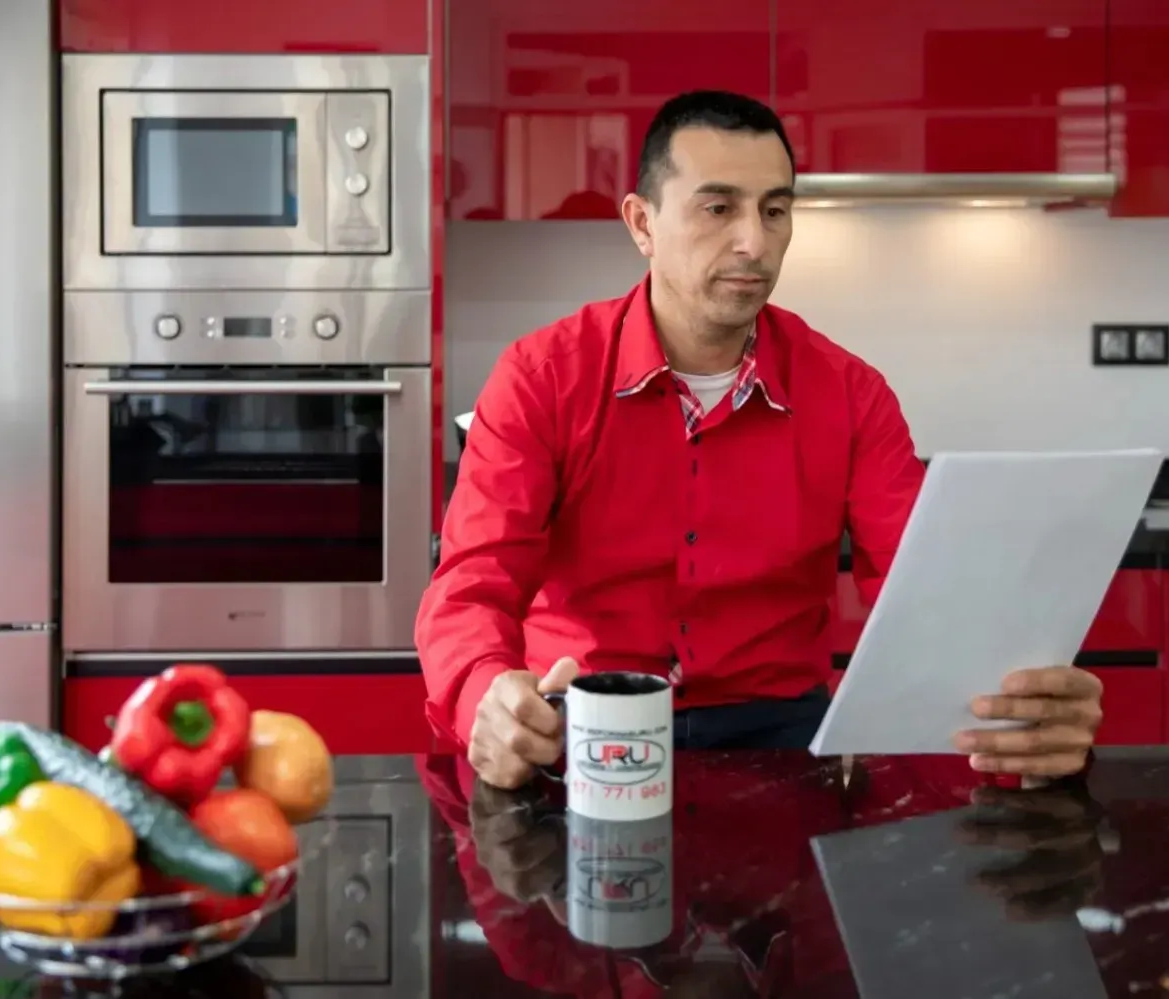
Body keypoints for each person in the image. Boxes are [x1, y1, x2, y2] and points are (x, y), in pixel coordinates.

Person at [417, 90, 1104, 789]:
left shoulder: (850, 393)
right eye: (719, 209)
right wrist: (486, 700)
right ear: (641, 222)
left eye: (774, 211)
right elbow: (470, 589)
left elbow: (927, 596)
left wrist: (1026, 703)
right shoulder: (541, 378)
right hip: (584, 731)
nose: (754, 241)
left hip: (783, 737)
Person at [418, 751, 1107, 998]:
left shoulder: (544, 951)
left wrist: (495, 789)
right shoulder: (839, 950)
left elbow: (448, 775)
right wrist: (1036, 766)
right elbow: (924, 788)